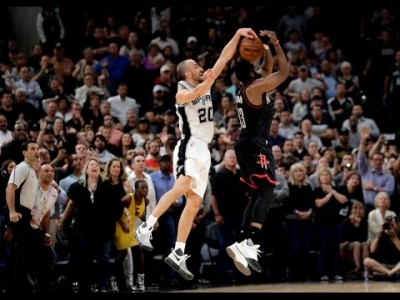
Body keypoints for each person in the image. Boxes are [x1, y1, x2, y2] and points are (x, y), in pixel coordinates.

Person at [134, 27, 258, 280]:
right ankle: (146, 227)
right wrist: (209, 80)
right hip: (189, 145)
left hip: (204, 150)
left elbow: (223, 58)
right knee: (181, 187)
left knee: (193, 202)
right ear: (188, 72)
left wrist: (235, 35)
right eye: (196, 65)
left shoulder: (203, 81)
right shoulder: (181, 90)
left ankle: (178, 252)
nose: (201, 66)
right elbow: (194, 93)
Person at [226, 29, 289, 276]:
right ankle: (250, 242)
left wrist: (263, 50)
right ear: (251, 72)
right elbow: (282, 72)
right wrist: (275, 43)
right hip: (256, 145)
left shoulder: (249, 87)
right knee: (267, 190)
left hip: (246, 145)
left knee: (255, 196)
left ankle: (242, 242)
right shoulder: (256, 88)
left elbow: (267, 68)